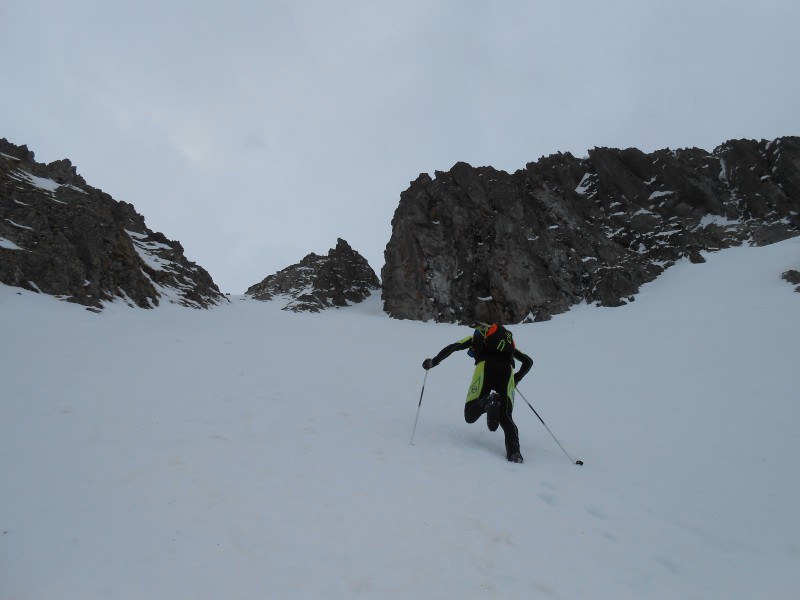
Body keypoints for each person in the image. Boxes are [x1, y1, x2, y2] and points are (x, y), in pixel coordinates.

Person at [422, 323, 533, 463]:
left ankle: (488, 401)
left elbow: (454, 346)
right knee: (506, 417)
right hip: (507, 373)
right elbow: (528, 362)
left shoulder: (478, 337)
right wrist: (516, 378)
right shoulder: (508, 348)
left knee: (469, 414)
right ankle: (514, 453)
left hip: (485, 368)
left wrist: (434, 362)